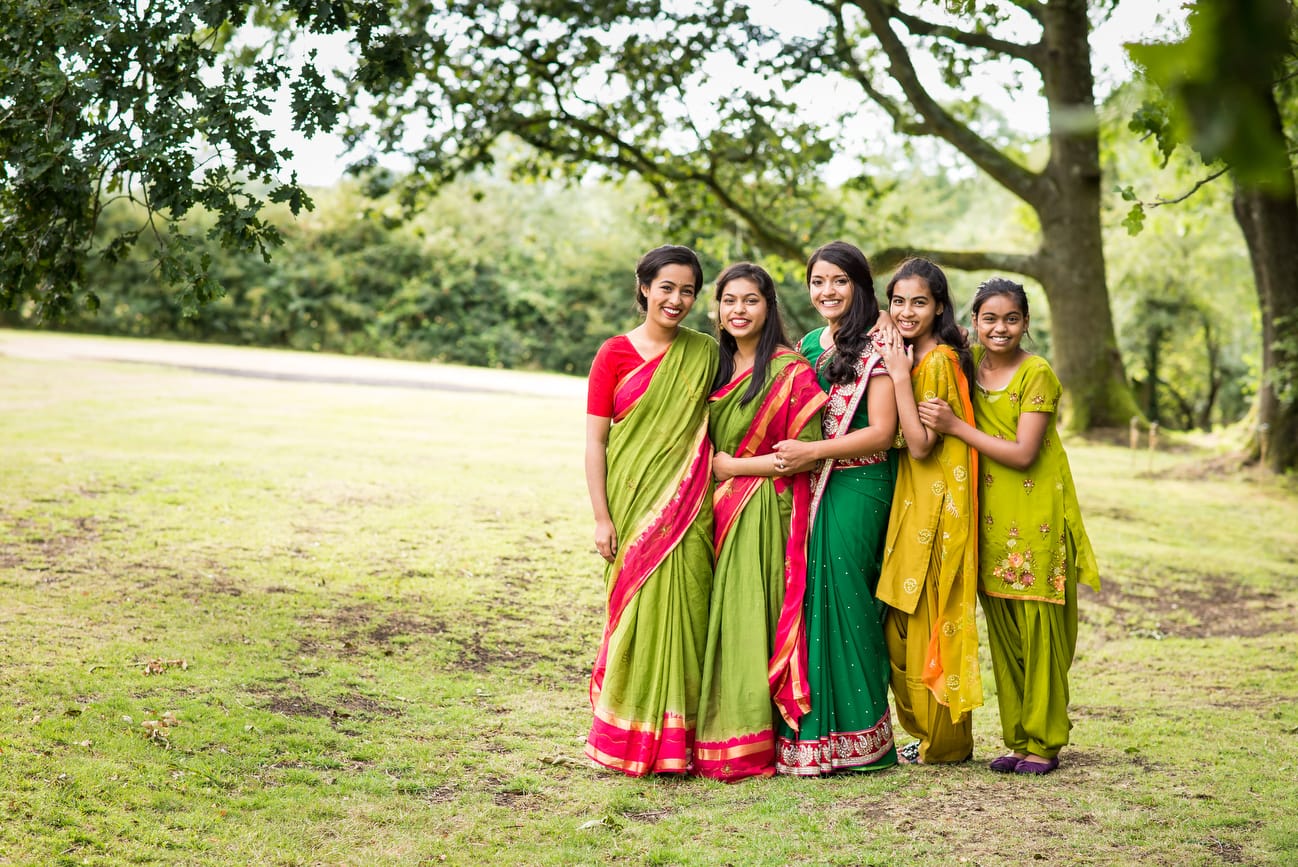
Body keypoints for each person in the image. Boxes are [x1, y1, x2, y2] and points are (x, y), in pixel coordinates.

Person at [918, 277, 1100, 775]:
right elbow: (918, 326)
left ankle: (1045, 741)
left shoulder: (1035, 373)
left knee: (1039, 632)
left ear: (1026, 323)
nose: (1001, 328)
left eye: (1012, 318)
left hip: (1036, 520)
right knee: (1004, 634)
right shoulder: (966, 366)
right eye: (990, 318)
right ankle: (1019, 738)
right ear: (973, 322)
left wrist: (957, 427)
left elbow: (1022, 454)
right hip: (988, 520)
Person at [584, 245, 718, 776]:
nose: (677, 300)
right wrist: (601, 516)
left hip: (690, 506)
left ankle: (678, 742)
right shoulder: (614, 353)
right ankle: (624, 734)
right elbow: (596, 442)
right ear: (643, 287)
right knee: (633, 615)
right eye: (667, 287)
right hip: (632, 502)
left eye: (687, 291)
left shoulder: (706, 352)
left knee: (687, 611)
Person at [770, 240, 900, 775]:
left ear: (860, 287)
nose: (828, 291)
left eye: (839, 281)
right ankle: (811, 737)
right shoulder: (807, 343)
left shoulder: (880, 344)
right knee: (806, 600)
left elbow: (883, 433)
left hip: (860, 483)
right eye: (818, 282)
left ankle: (862, 738)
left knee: (846, 600)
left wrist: (813, 453)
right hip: (811, 480)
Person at [695, 263, 827, 781]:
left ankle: (747, 737)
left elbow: (804, 455)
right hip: (706, 510)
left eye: (750, 300)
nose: (739, 311)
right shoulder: (710, 366)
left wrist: (731, 467)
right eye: (729, 301)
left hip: (764, 507)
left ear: (769, 306)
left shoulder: (789, 370)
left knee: (749, 616)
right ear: (718, 308)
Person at [875, 257, 983, 765]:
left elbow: (919, 445)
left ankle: (945, 743)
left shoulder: (934, 361)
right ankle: (926, 734)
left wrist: (898, 375)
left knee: (925, 624)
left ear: (939, 306)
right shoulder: (915, 352)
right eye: (898, 301)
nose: (906, 311)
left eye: (919, 302)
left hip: (937, 510)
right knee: (900, 624)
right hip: (912, 502)